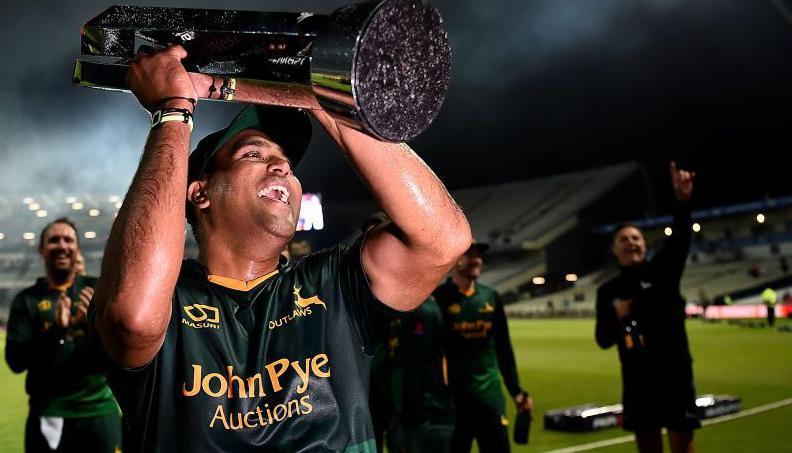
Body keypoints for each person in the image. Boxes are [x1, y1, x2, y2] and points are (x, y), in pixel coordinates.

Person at [89, 45, 471, 452]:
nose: (282, 167)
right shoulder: (171, 302)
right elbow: (134, 315)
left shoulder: (333, 286)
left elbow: (442, 241)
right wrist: (173, 109)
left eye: (286, 162)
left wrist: (321, 100)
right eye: (253, 154)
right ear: (200, 194)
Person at [595, 162, 698, 453]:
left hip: (675, 377)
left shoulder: (662, 273)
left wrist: (683, 201)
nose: (631, 242)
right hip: (638, 384)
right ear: (614, 250)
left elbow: (680, 241)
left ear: (645, 245)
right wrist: (617, 315)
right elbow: (602, 339)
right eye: (623, 239)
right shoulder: (607, 292)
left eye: (636, 238)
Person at [5, 218, 121, 453]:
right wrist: (57, 331)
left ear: (77, 249)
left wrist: (95, 325)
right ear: (41, 249)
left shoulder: (99, 290)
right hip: (51, 412)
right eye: (53, 240)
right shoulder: (27, 300)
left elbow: (121, 349)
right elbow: (15, 362)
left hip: (100, 412)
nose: (61, 245)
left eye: (68, 239)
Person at [433, 242, 532, 453]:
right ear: (453, 261)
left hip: (490, 397)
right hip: (454, 401)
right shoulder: (439, 298)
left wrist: (516, 392)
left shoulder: (491, 296)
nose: (476, 259)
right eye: (469, 255)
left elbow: (504, 348)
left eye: (478, 255)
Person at [386, 295, 455, 453]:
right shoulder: (404, 308)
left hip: (422, 413)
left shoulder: (423, 311)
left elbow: (415, 367)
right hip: (415, 411)